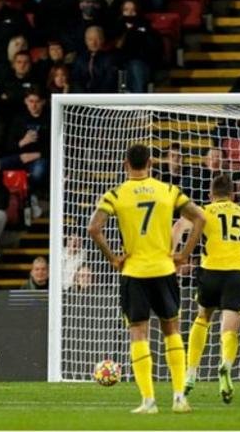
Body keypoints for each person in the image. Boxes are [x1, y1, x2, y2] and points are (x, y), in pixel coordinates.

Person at [88, 144, 205, 414]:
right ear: (151, 163)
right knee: (172, 330)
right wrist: (184, 254)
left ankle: (149, 401)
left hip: (134, 273)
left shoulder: (115, 195)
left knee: (138, 333)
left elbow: (94, 228)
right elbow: (199, 217)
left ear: (125, 164)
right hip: (164, 270)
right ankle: (179, 398)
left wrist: (113, 258)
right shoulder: (168, 191)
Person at [172, 174, 240, 404]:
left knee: (202, 318)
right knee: (230, 328)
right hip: (238, 273)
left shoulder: (204, 211)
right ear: (233, 194)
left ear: (211, 194)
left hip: (211, 272)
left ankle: (190, 373)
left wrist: (174, 253)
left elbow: (179, 226)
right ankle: (225, 366)